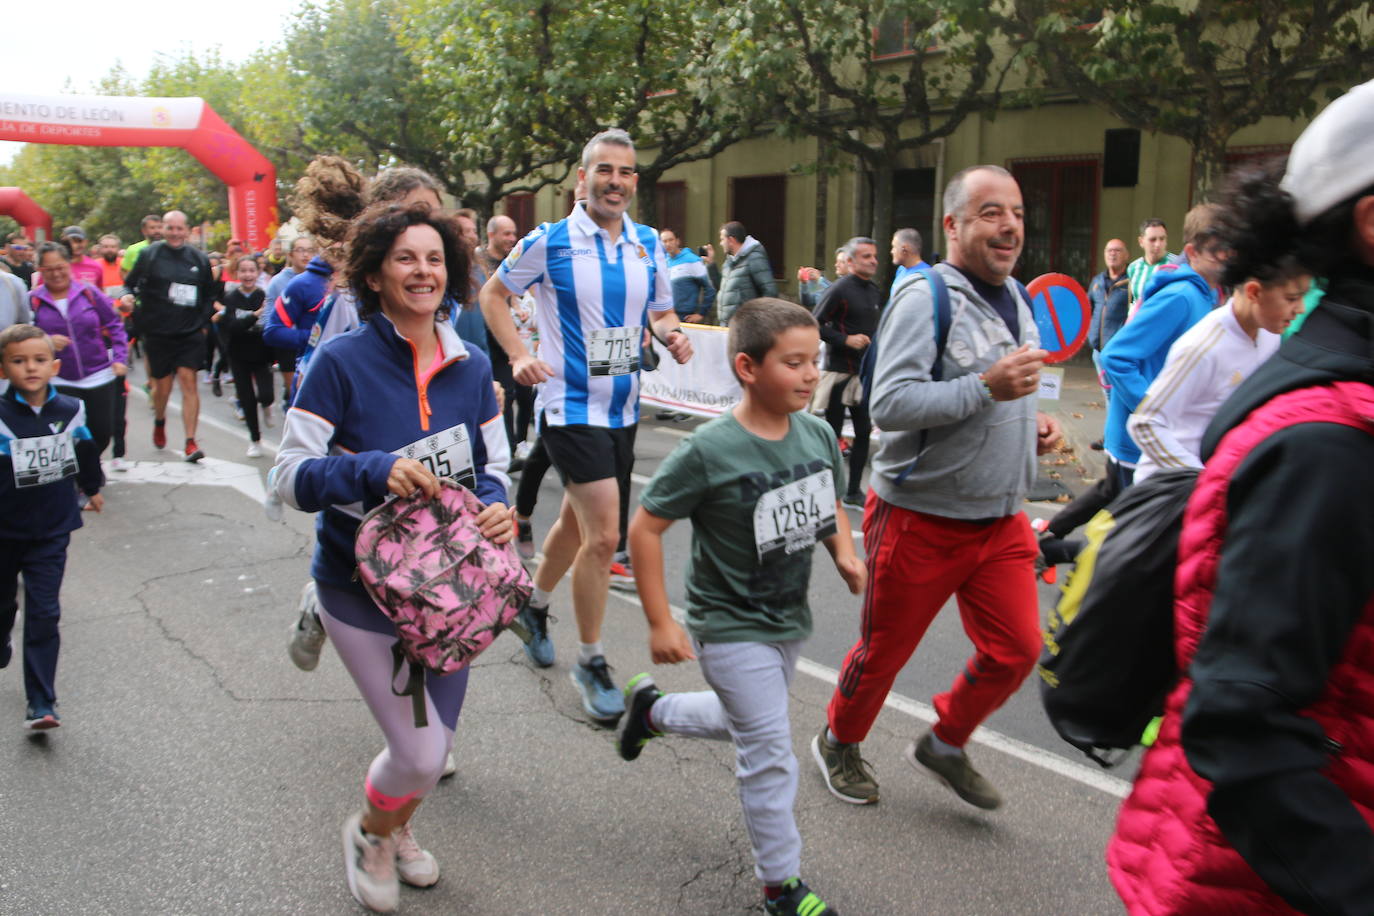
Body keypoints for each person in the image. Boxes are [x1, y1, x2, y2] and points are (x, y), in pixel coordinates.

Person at [1108, 80, 1374, 915]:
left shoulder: (1312, 383)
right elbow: (1135, 389)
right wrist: (1188, 482)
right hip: (1240, 881)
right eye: (1284, 294)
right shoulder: (1324, 437)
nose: (1293, 305)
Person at [269, 203, 511, 913]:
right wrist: (370, 470)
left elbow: (492, 466)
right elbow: (289, 475)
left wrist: (496, 505)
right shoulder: (341, 362)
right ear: (374, 274)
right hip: (357, 586)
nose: (423, 271)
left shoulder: (470, 365)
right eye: (406, 258)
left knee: (432, 750)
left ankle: (396, 827)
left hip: (452, 588)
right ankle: (370, 835)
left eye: (435, 258)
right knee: (418, 754)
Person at [813, 165, 1062, 809]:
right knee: (884, 654)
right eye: (989, 212)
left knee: (1017, 649)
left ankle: (945, 742)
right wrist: (987, 389)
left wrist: (1032, 424)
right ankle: (838, 738)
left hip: (1000, 519)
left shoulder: (1022, 299)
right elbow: (889, 404)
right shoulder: (925, 298)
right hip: (918, 516)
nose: (1008, 226)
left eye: (1016, 212)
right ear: (952, 226)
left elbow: (1008, 388)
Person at [620, 298, 861, 916]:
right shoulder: (709, 450)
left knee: (747, 722)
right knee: (770, 751)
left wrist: (844, 552)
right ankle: (780, 885)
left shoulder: (816, 433)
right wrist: (660, 620)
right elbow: (645, 529)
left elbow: (827, 496)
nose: (811, 375)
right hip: (726, 624)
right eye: (795, 362)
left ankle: (653, 712)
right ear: (748, 367)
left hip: (786, 616)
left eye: (817, 361)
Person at [478, 128, 693, 725]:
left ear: (634, 182)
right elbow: (493, 297)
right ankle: (592, 661)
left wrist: (671, 333)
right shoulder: (550, 242)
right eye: (604, 170)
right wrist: (520, 353)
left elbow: (660, 308)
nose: (615, 181)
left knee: (576, 529)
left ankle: (531, 605)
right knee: (605, 537)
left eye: (625, 172)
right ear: (582, 179)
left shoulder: (647, 244)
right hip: (569, 407)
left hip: (624, 407)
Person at [0, 324, 104, 730]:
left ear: (54, 365)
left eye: (39, 360)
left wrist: (93, 488)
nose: (30, 368)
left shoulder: (71, 409)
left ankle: (42, 702)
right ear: (4, 367)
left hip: (52, 528)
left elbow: (85, 447)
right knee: (3, 603)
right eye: (19, 361)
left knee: (44, 611)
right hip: (4, 528)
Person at [1128, 251, 1307, 483]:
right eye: (1292, 298)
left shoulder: (1269, 334)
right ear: (1254, 292)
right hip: (1173, 496)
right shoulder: (1202, 346)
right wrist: (1203, 479)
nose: (1301, 308)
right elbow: (1145, 423)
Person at [1100, 203, 1227, 491]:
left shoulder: (1208, 296)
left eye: (1230, 250)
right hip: (1139, 448)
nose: (1228, 259)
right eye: (1218, 251)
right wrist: (1154, 414)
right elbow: (1116, 357)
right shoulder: (1180, 296)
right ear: (1193, 253)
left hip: (1166, 445)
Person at [120, 210, 216, 462]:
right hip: (158, 332)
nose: (174, 233)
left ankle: (190, 442)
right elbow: (129, 284)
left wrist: (203, 323)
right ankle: (160, 420)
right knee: (161, 388)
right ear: (162, 229)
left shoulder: (199, 258)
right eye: (170, 228)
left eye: (179, 228)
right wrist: (128, 296)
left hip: (189, 333)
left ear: (187, 230)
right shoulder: (149, 255)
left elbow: (209, 294)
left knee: (188, 381)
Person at [29, 242, 129, 476]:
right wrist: (47, 342)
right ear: (40, 271)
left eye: (60, 267)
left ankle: (88, 466)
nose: (56, 274)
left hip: (98, 374)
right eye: (48, 269)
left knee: (102, 431)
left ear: (69, 266)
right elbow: (23, 339)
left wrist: (120, 358)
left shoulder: (88, 293)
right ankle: (80, 479)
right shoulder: (33, 300)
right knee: (67, 434)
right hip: (59, 378)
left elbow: (115, 325)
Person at [813, 237, 881, 506]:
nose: (873, 261)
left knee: (864, 431)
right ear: (851, 262)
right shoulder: (839, 289)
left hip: (862, 374)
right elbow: (813, 323)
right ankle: (828, 493)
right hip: (839, 373)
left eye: (874, 256)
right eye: (866, 256)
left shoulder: (874, 291)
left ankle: (853, 491)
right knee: (833, 435)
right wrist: (846, 340)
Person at [217, 256, 275, 458]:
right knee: (247, 399)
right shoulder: (231, 298)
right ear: (237, 274)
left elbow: (271, 324)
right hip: (238, 355)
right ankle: (255, 440)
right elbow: (232, 327)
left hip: (261, 353)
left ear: (258, 273)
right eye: (244, 271)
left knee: (266, 395)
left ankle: (267, 407)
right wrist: (254, 315)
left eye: (252, 271)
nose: (248, 275)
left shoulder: (264, 296)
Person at [1088, 238, 1131, 409]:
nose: (1112, 254)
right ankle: (1110, 434)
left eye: (1117, 250)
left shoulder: (1131, 282)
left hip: (1118, 351)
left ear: (1127, 255)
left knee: (1118, 394)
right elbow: (1087, 308)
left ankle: (1115, 434)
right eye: (1109, 250)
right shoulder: (1097, 281)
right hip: (1098, 350)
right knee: (1107, 394)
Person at [717, 221, 778, 325]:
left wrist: (756, 321)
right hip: (727, 326)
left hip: (745, 328)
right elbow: (723, 288)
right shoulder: (729, 262)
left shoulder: (754, 258)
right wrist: (710, 266)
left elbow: (770, 292)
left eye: (722, 239)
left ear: (731, 240)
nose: (720, 243)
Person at [1125, 218, 1178, 316]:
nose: (1158, 244)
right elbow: (1134, 302)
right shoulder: (1133, 268)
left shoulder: (1177, 265)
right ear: (1141, 241)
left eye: (1162, 239)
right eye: (1152, 240)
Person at [661, 228, 715, 323]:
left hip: (686, 318)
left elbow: (710, 288)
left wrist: (701, 313)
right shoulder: (662, 262)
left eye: (671, 240)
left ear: (677, 241)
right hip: (667, 317)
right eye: (664, 241)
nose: (668, 244)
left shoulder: (692, 260)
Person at [798, 247, 849, 312]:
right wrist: (803, 283)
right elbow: (807, 302)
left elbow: (834, 295)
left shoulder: (852, 284)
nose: (836, 265)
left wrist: (819, 279)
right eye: (836, 262)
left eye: (841, 262)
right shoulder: (832, 283)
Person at [889, 227, 929, 292]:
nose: (891, 251)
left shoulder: (925, 275)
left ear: (904, 249)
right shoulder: (901, 270)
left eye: (894, 247)